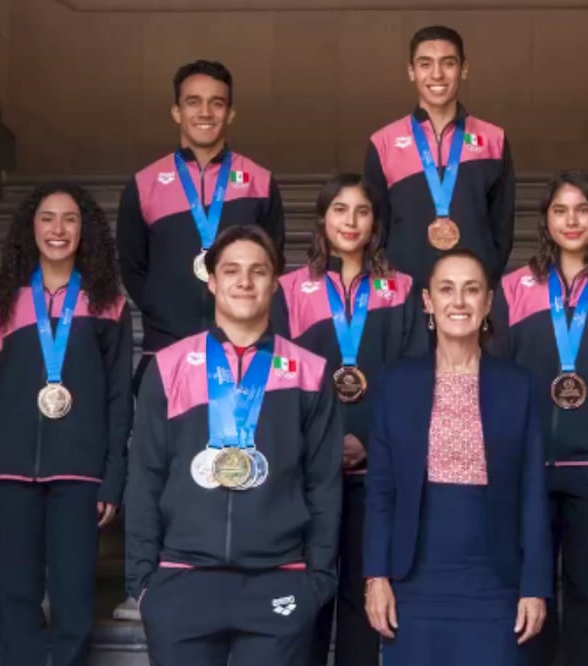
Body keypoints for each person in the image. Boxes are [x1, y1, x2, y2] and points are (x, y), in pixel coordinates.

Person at [114, 58, 286, 620]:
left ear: (230, 112)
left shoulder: (258, 181)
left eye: (216, 102)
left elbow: (270, 265)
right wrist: (169, 316)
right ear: (176, 111)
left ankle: (235, 581)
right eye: (194, 101)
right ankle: (148, 580)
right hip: (167, 353)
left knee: (236, 461)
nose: (205, 112)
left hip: (243, 360)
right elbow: (133, 269)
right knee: (159, 470)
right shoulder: (144, 183)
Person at [125, 225, 341, 665]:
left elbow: (324, 483)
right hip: (182, 582)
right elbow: (145, 475)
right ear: (212, 280)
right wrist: (144, 582)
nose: (245, 281)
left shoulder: (310, 373)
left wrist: (317, 578)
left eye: (258, 271)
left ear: (275, 282)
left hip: (279, 581)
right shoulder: (168, 368)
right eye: (232, 270)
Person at [0, 183, 133, 666]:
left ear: (85, 231)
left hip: (80, 476)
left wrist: (113, 475)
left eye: (69, 219)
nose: (57, 229)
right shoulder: (0, 302)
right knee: (16, 600)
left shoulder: (109, 305)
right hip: (13, 471)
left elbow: (120, 396)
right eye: (47, 218)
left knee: (75, 603)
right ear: (30, 227)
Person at [363, 250, 552, 665]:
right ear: (428, 302)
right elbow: (381, 490)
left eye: (471, 290)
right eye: (446, 290)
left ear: (488, 303)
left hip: (495, 579)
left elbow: (533, 493)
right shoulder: (397, 383)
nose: (459, 302)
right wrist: (375, 576)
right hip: (413, 579)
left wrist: (535, 585)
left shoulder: (517, 385)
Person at [489, 170, 588, 666]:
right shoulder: (514, 288)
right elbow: (499, 379)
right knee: (529, 593)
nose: (571, 220)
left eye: (582, 210)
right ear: (545, 221)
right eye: (560, 210)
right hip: (530, 467)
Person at [270, 173, 427, 665]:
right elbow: (281, 380)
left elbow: (413, 381)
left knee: (365, 601)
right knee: (307, 596)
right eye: (340, 209)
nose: (350, 221)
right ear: (322, 219)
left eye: (362, 211)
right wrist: (323, 444)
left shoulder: (401, 289)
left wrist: (365, 439)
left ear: (375, 222)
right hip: (309, 474)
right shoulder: (290, 289)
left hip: (375, 474)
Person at [364, 25, 516, 290]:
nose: (437, 74)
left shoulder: (494, 140)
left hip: (470, 296)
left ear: (464, 69)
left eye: (448, 63)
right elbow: (377, 230)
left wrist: (485, 278)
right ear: (411, 71)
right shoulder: (383, 143)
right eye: (425, 64)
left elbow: (501, 227)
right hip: (404, 296)